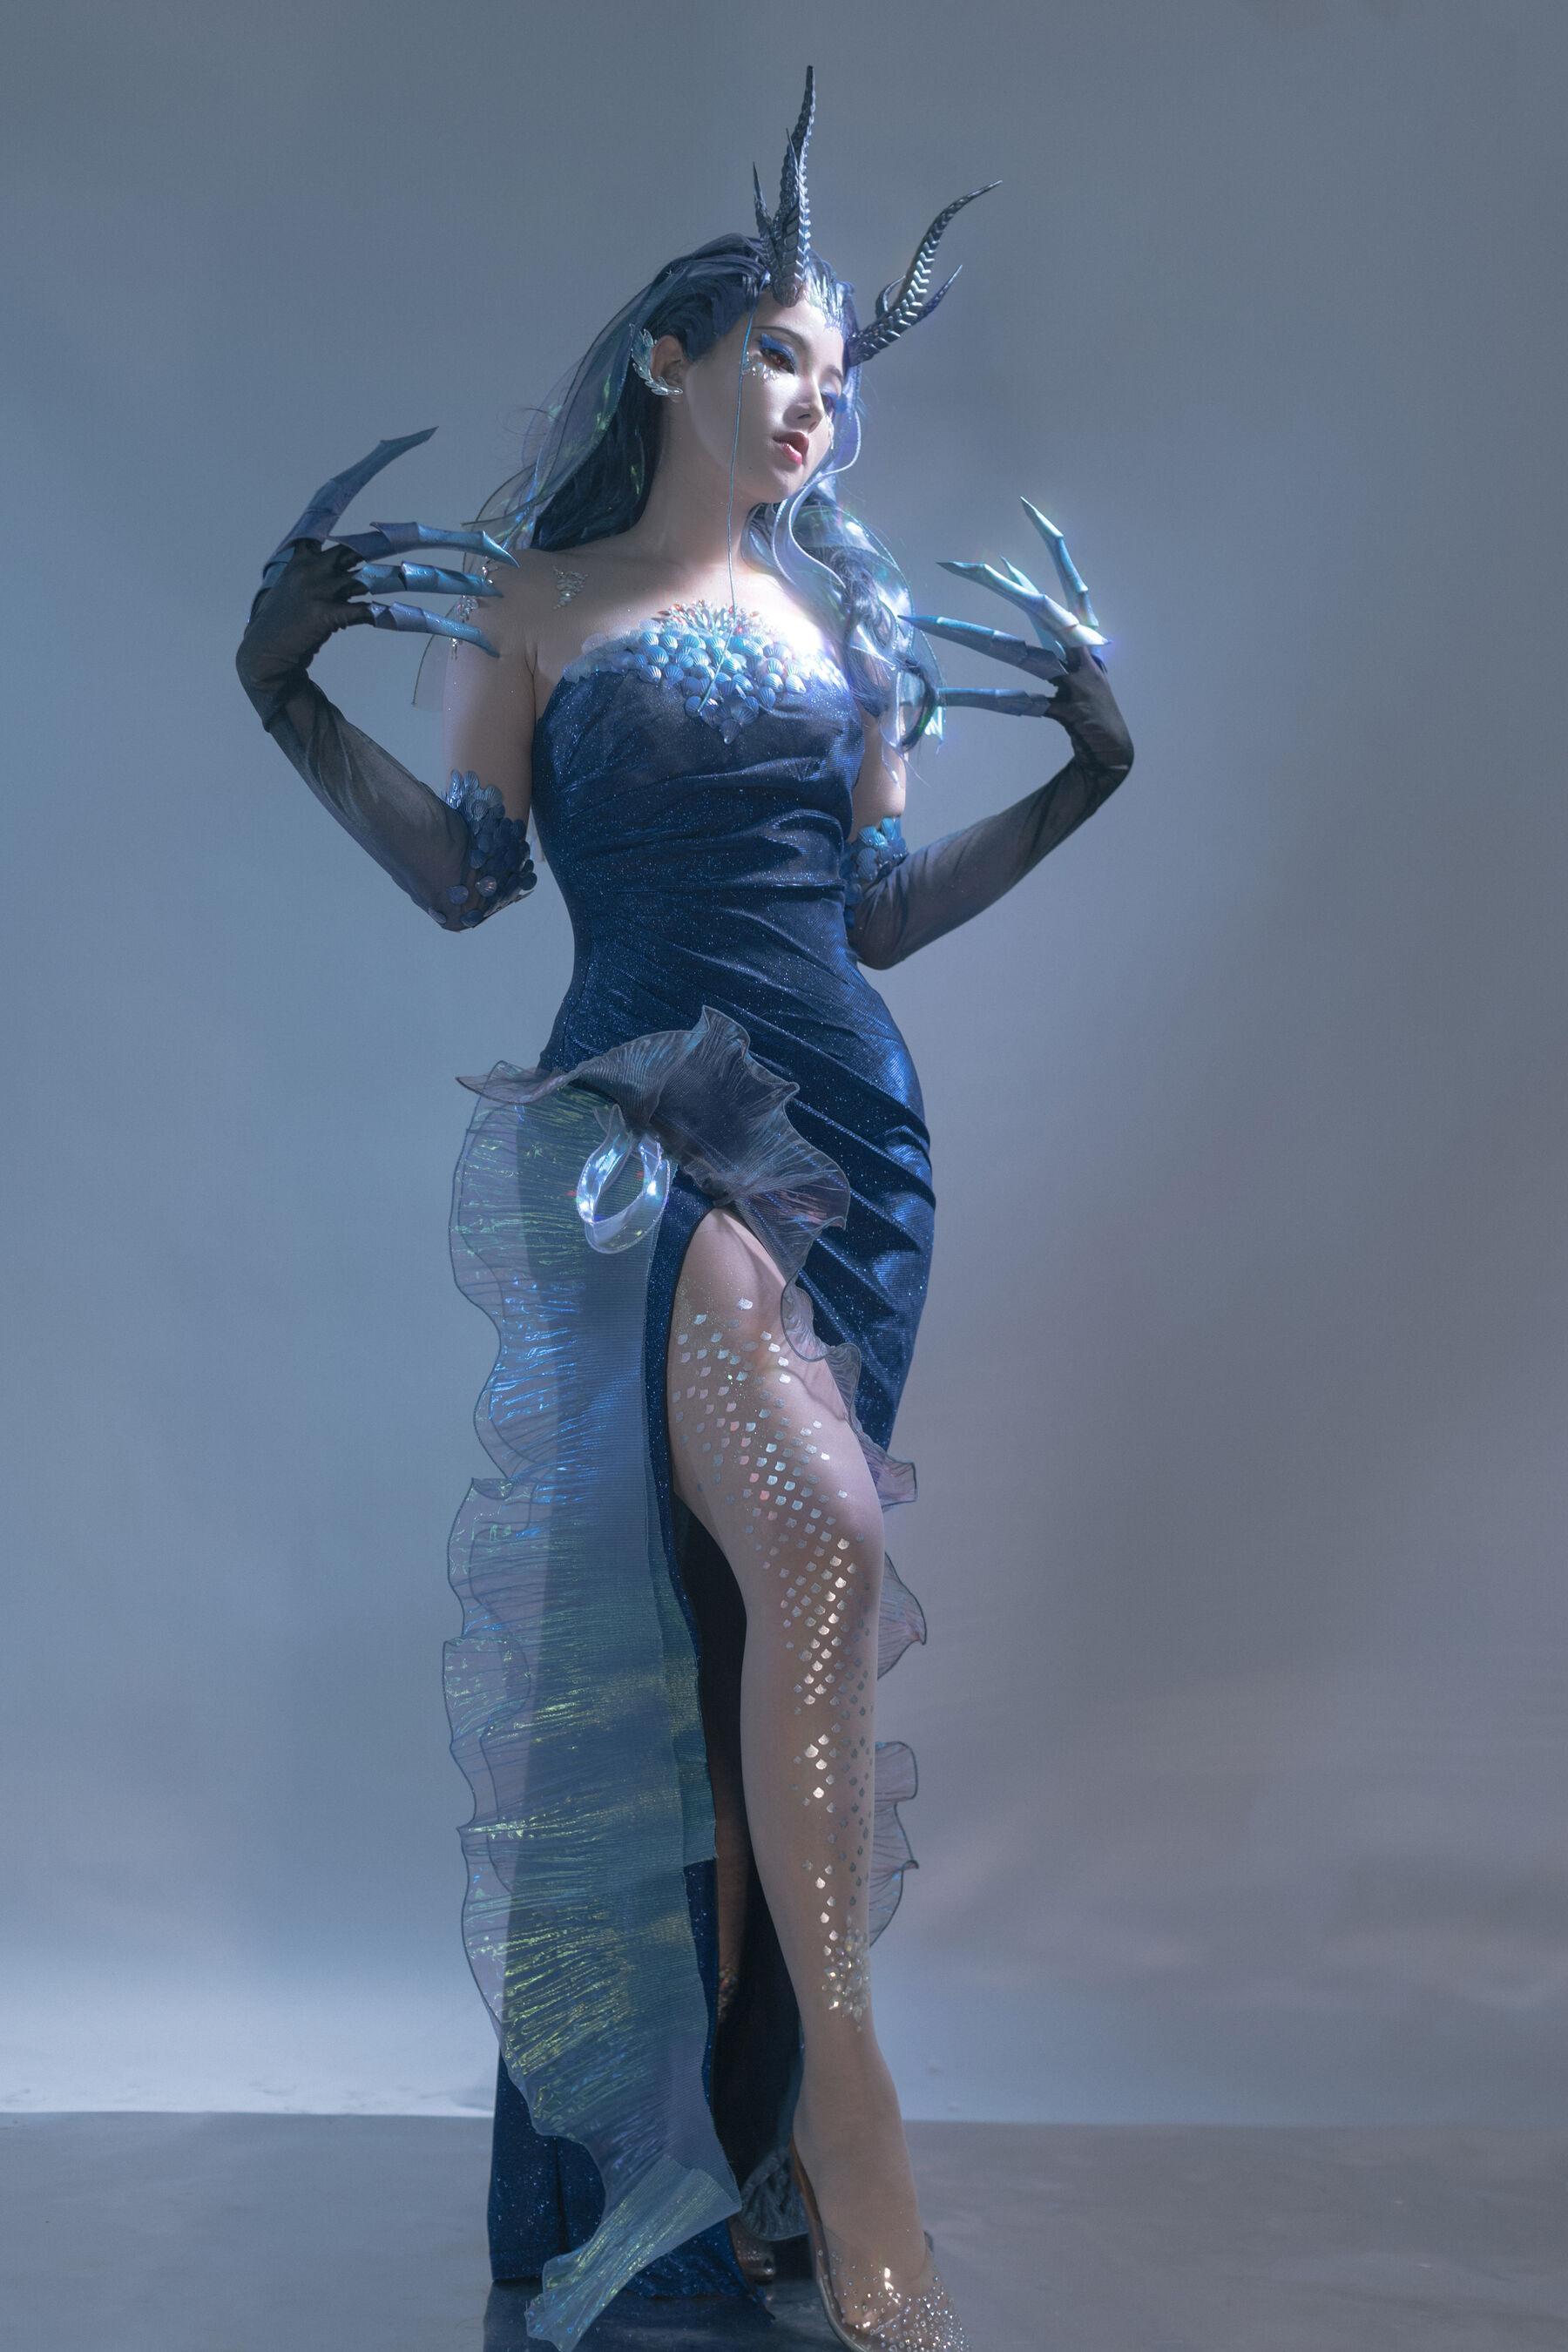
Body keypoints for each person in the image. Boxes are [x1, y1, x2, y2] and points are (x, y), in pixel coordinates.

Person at [234, 68, 1132, 2352]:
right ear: (670, 358)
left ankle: (726, 2161)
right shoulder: (537, 602)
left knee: (740, 1645)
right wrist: (283, 696)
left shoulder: (854, 635)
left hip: (860, 1141)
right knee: (799, 1551)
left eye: (840, 381)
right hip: (640, 1121)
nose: (818, 404)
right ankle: (854, 2131)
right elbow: (467, 874)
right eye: (781, 356)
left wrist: (1085, 787)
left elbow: (878, 914)